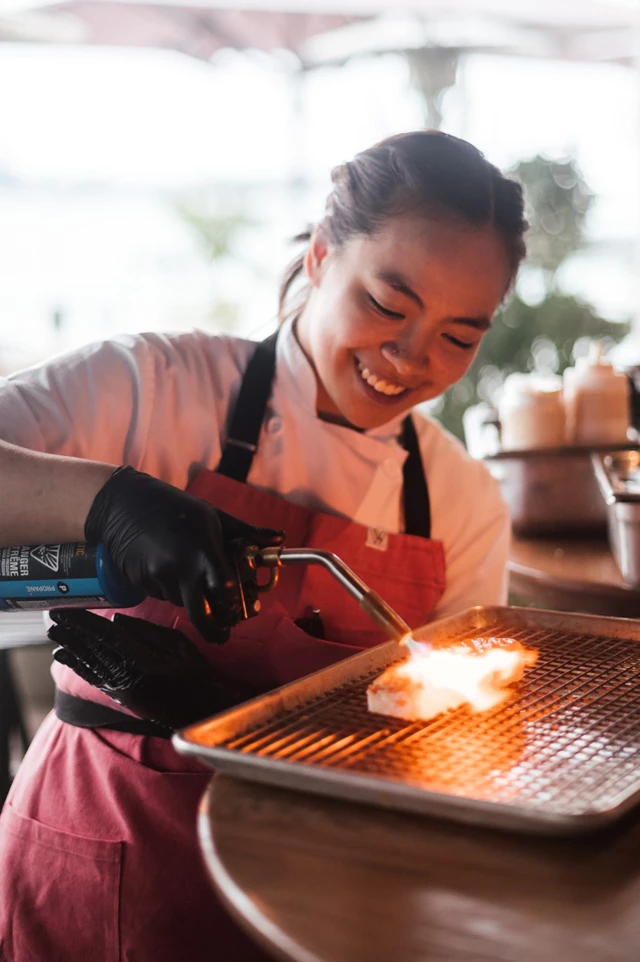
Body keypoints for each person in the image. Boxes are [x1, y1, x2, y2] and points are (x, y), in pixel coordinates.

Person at [0, 130, 526, 962]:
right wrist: (107, 500)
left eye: (459, 337)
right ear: (320, 256)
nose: (411, 357)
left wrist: (234, 722)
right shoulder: (154, 388)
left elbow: (457, 745)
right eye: (388, 304)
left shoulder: (460, 501)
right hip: (105, 855)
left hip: (325, 895)